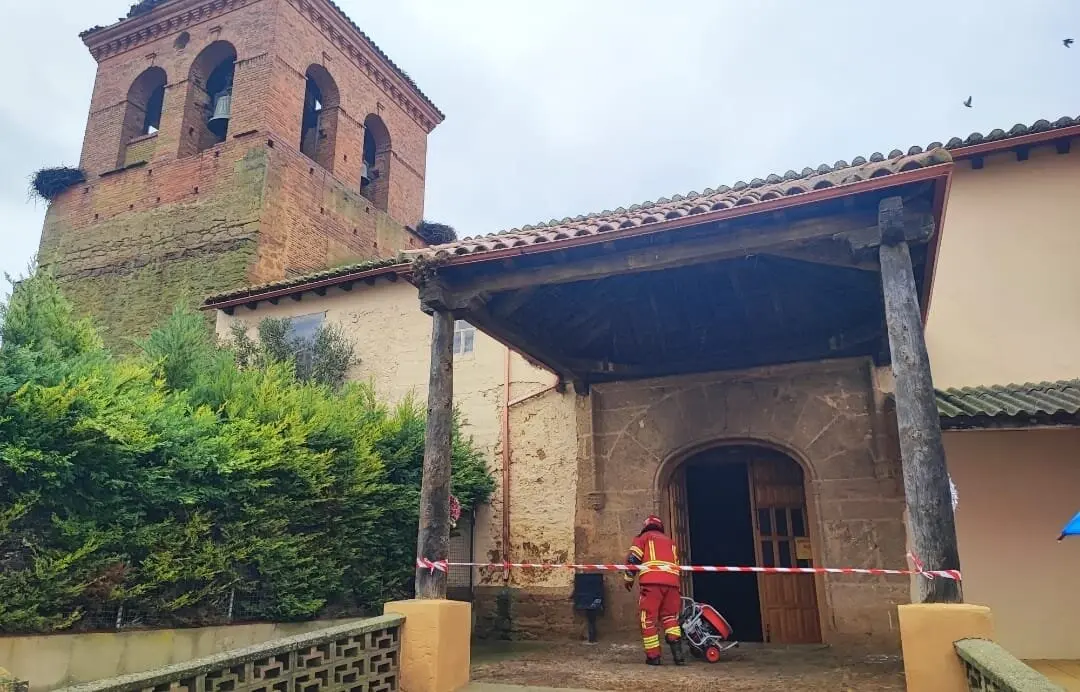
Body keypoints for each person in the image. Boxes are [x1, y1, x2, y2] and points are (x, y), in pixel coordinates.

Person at [624, 514, 685, 666]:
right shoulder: (671, 542)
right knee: (670, 618)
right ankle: (678, 655)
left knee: (648, 619)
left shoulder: (643, 538)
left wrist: (629, 579)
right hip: (672, 585)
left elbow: (633, 559)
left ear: (646, 526)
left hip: (652, 584)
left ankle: (654, 657)